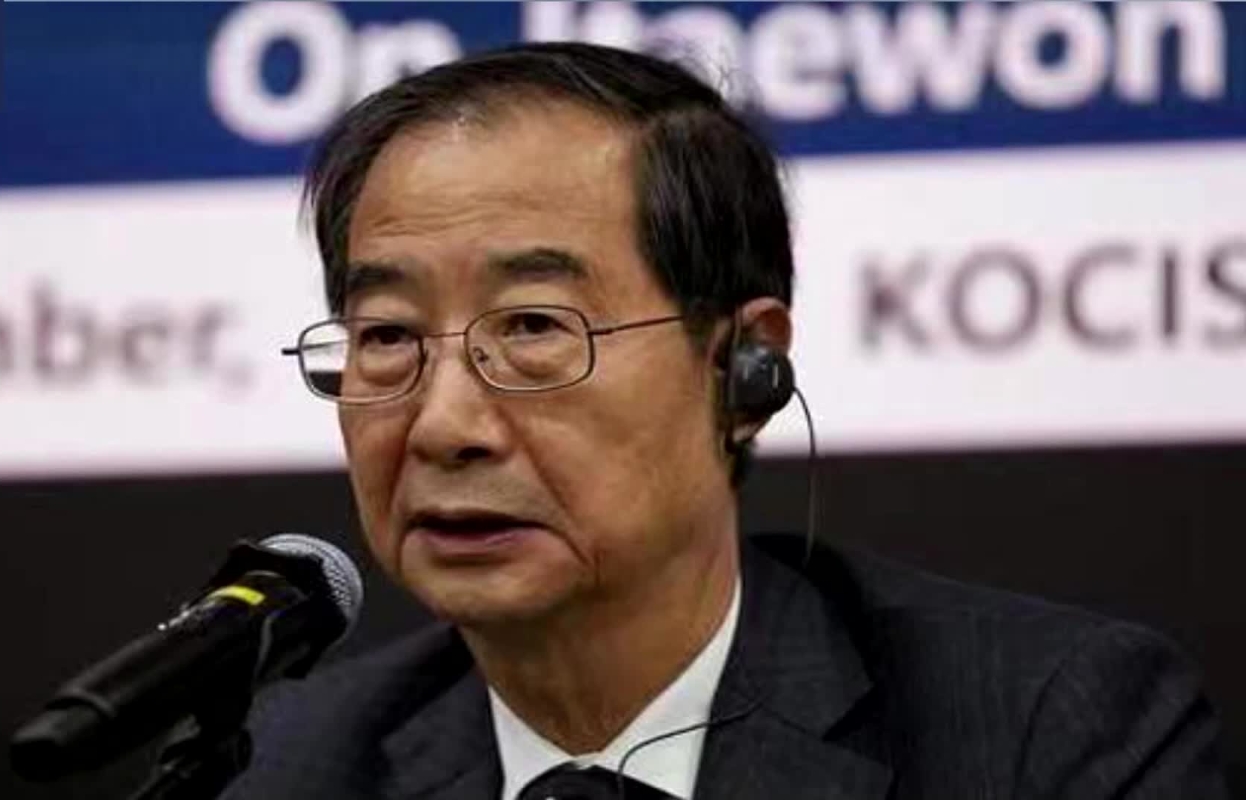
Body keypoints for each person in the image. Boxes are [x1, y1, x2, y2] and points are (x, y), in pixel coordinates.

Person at [223, 43, 1228, 799]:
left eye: (533, 327)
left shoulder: (1042, 732)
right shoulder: (283, 770)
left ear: (744, 368)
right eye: (388, 335)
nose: (445, 425)